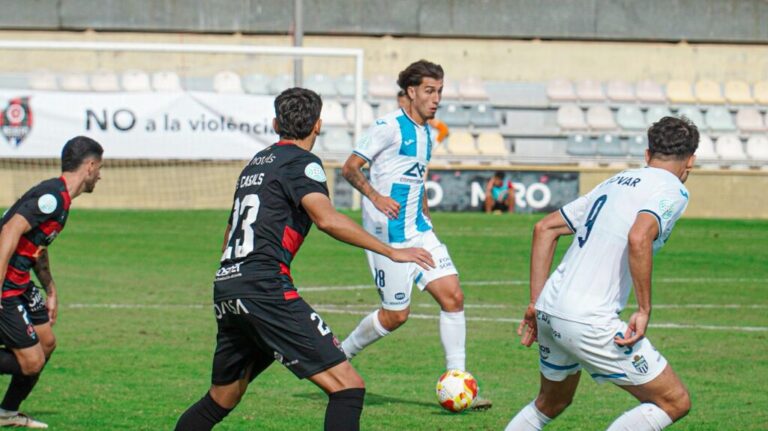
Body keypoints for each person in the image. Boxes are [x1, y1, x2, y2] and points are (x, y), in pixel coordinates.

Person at [174, 87, 435, 431]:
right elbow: (325, 218)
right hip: (265, 288)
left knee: (221, 399)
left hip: (228, 285)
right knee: (348, 388)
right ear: (318, 125)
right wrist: (390, 250)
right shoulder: (303, 163)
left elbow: (230, 233)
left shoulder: (255, 163)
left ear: (274, 123)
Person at [506, 116, 698, 431]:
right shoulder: (673, 189)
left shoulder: (616, 181)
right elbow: (639, 237)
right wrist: (644, 309)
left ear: (647, 155)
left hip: (551, 309)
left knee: (550, 403)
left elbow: (545, 228)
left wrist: (535, 303)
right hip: (589, 319)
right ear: (690, 161)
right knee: (674, 401)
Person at [340, 60, 491, 410]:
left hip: (419, 233)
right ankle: (339, 356)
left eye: (439, 91)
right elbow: (350, 167)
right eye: (429, 91)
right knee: (396, 316)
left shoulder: (427, 131)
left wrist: (423, 206)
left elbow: (415, 175)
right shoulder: (387, 126)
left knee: (453, 296)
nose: (436, 98)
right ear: (411, 91)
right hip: (387, 238)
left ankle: (459, 381)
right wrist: (377, 197)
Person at [0, 136, 103, 428]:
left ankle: (7, 413)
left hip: (21, 282)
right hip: (6, 284)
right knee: (31, 362)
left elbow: (38, 247)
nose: (100, 175)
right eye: (100, 168)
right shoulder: (52, 198)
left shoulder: (61, 200)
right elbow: (8, 231)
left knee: (46, 344)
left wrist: (51, 289)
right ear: (90, 166)